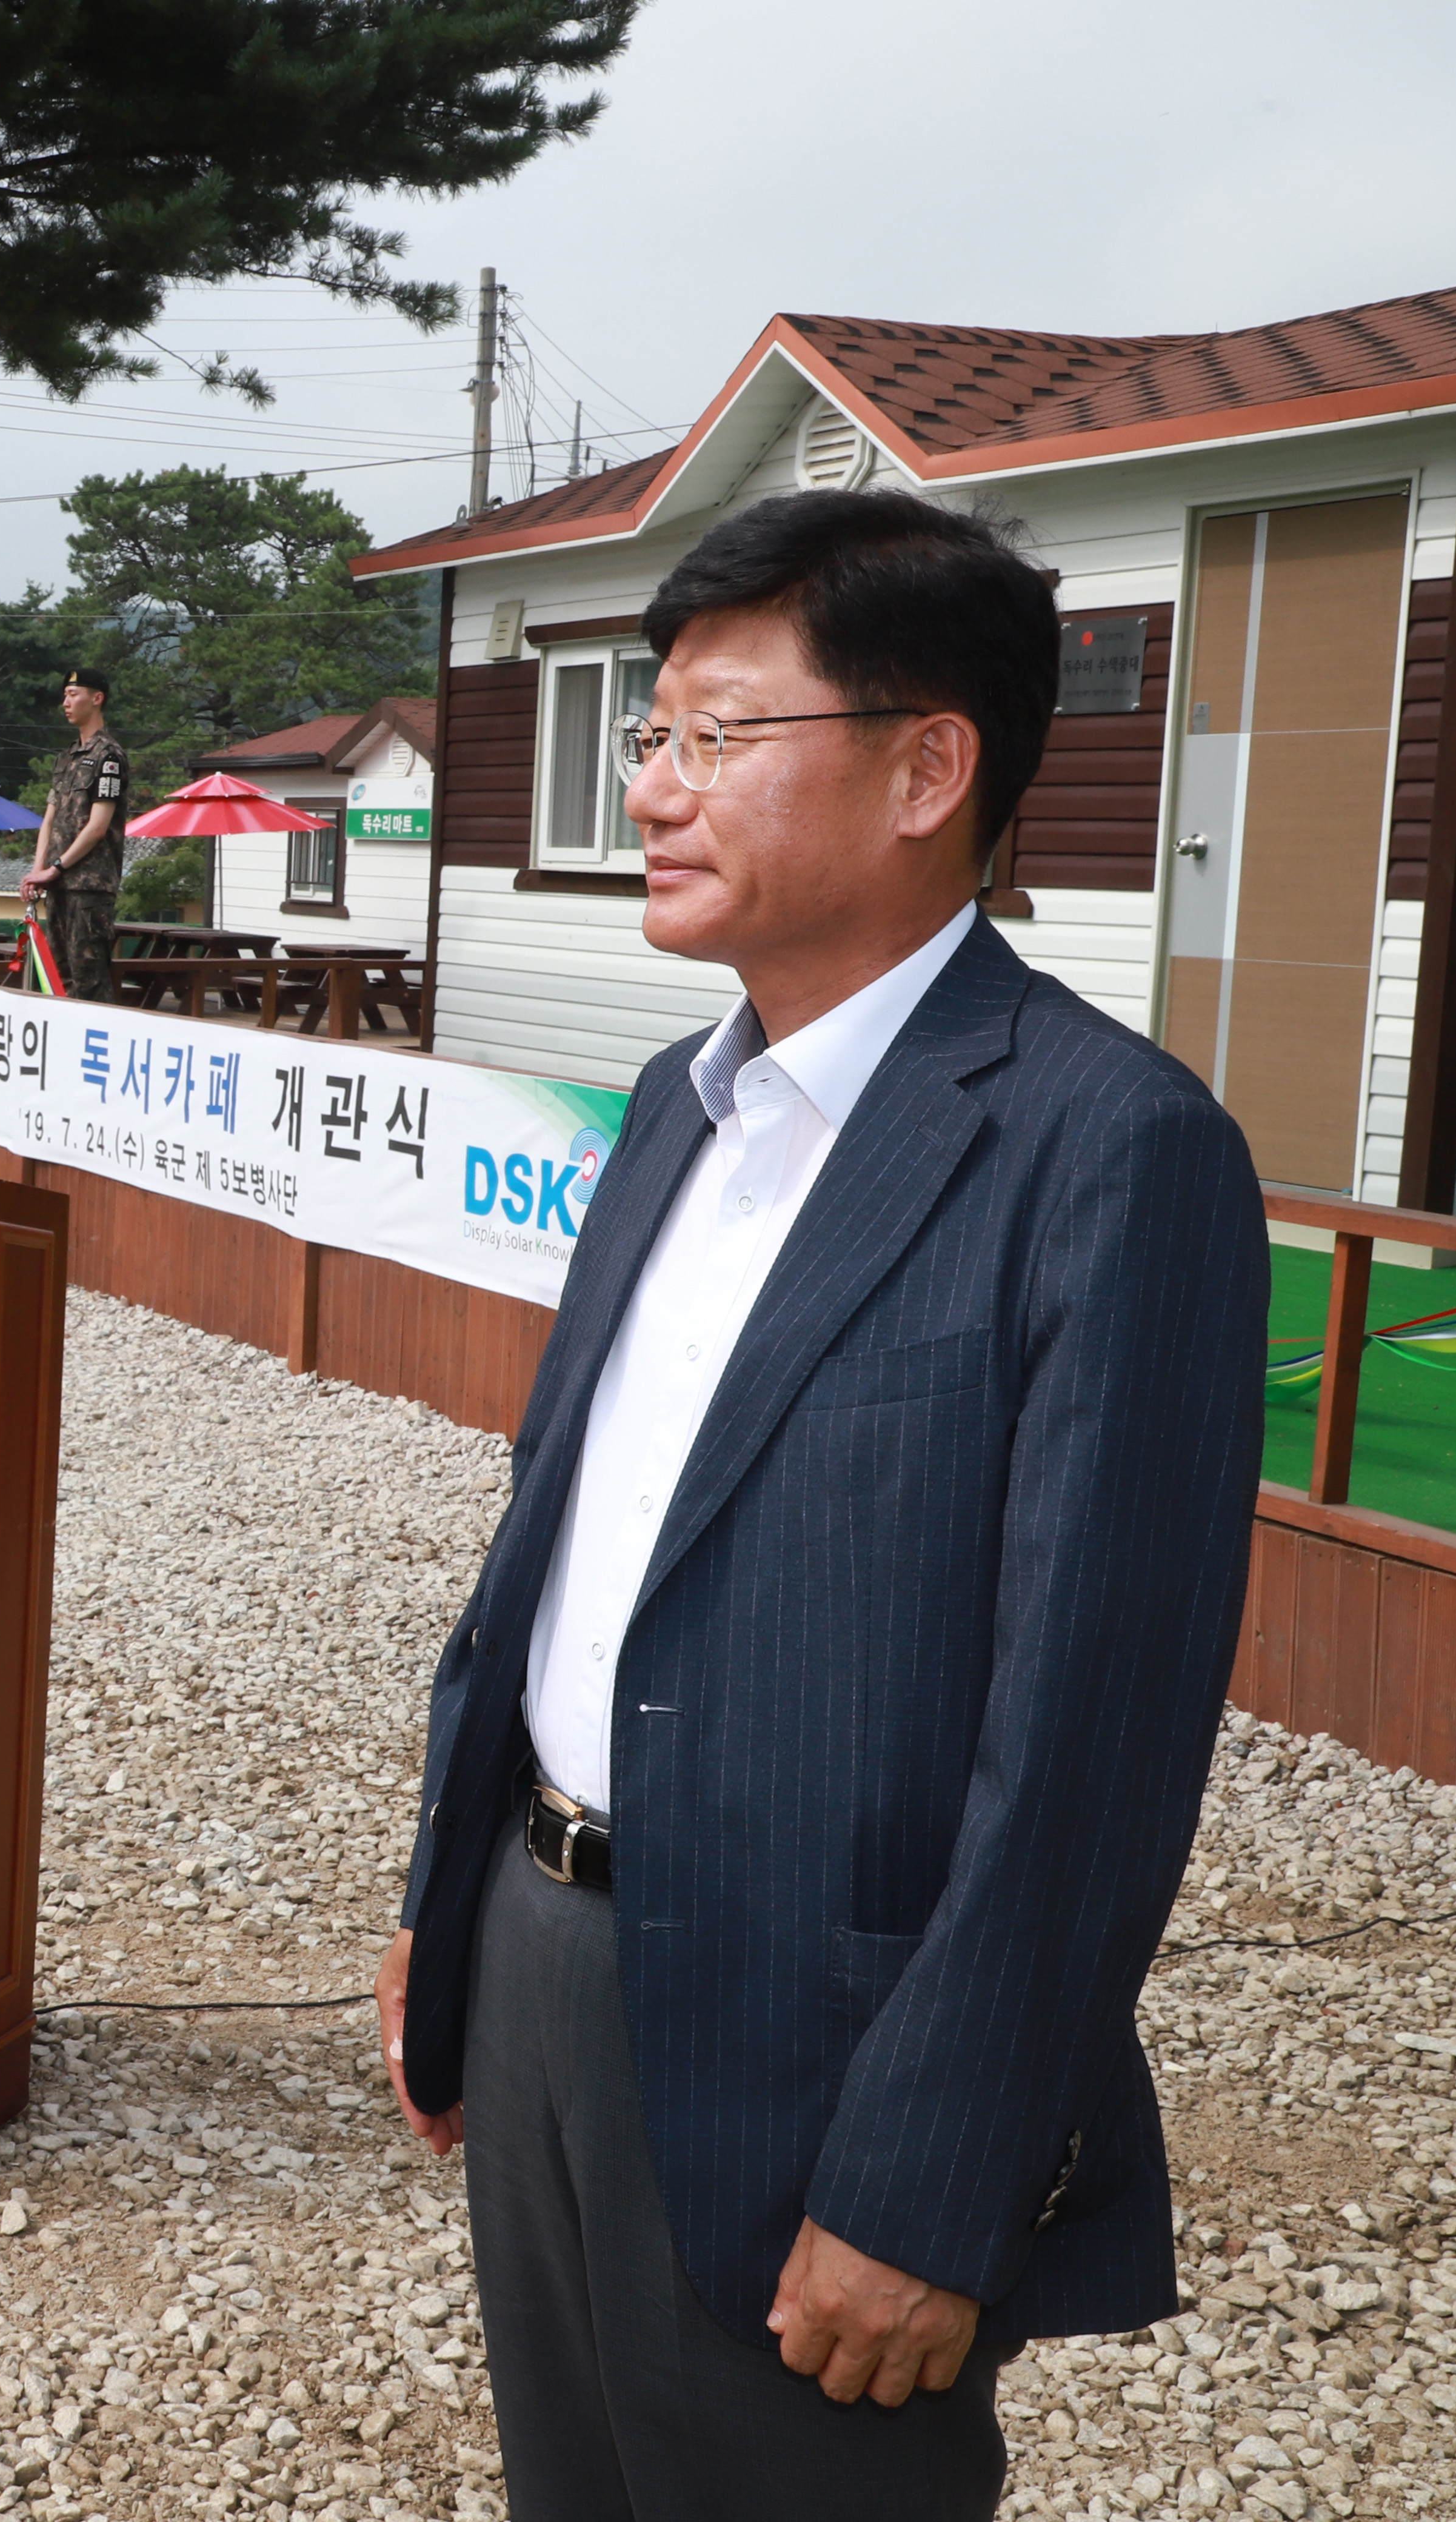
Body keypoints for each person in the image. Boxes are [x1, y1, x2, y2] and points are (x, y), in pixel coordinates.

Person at [371, 489, 1267, 2522]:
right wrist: (451, 1910)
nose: (651, 785)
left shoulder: (1106, 1155)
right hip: (541, 1954)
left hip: (822, 2040)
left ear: (927, 769)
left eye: (710, 731)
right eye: (650, 732)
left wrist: (934, 2178)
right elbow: (557, 1552)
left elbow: (1090, 1753)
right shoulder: (682, 1110)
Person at [21, 666, 128, 1003]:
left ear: (97, 699)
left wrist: (56, 868)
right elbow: (49, 819)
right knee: (57, 978)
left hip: (89, 887)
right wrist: (39, 872)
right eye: (64, 696)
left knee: (90, 982)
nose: (65, 703)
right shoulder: (66, 758)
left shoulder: (108, 756)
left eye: (73, 695)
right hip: (59, 885)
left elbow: (97, 827)